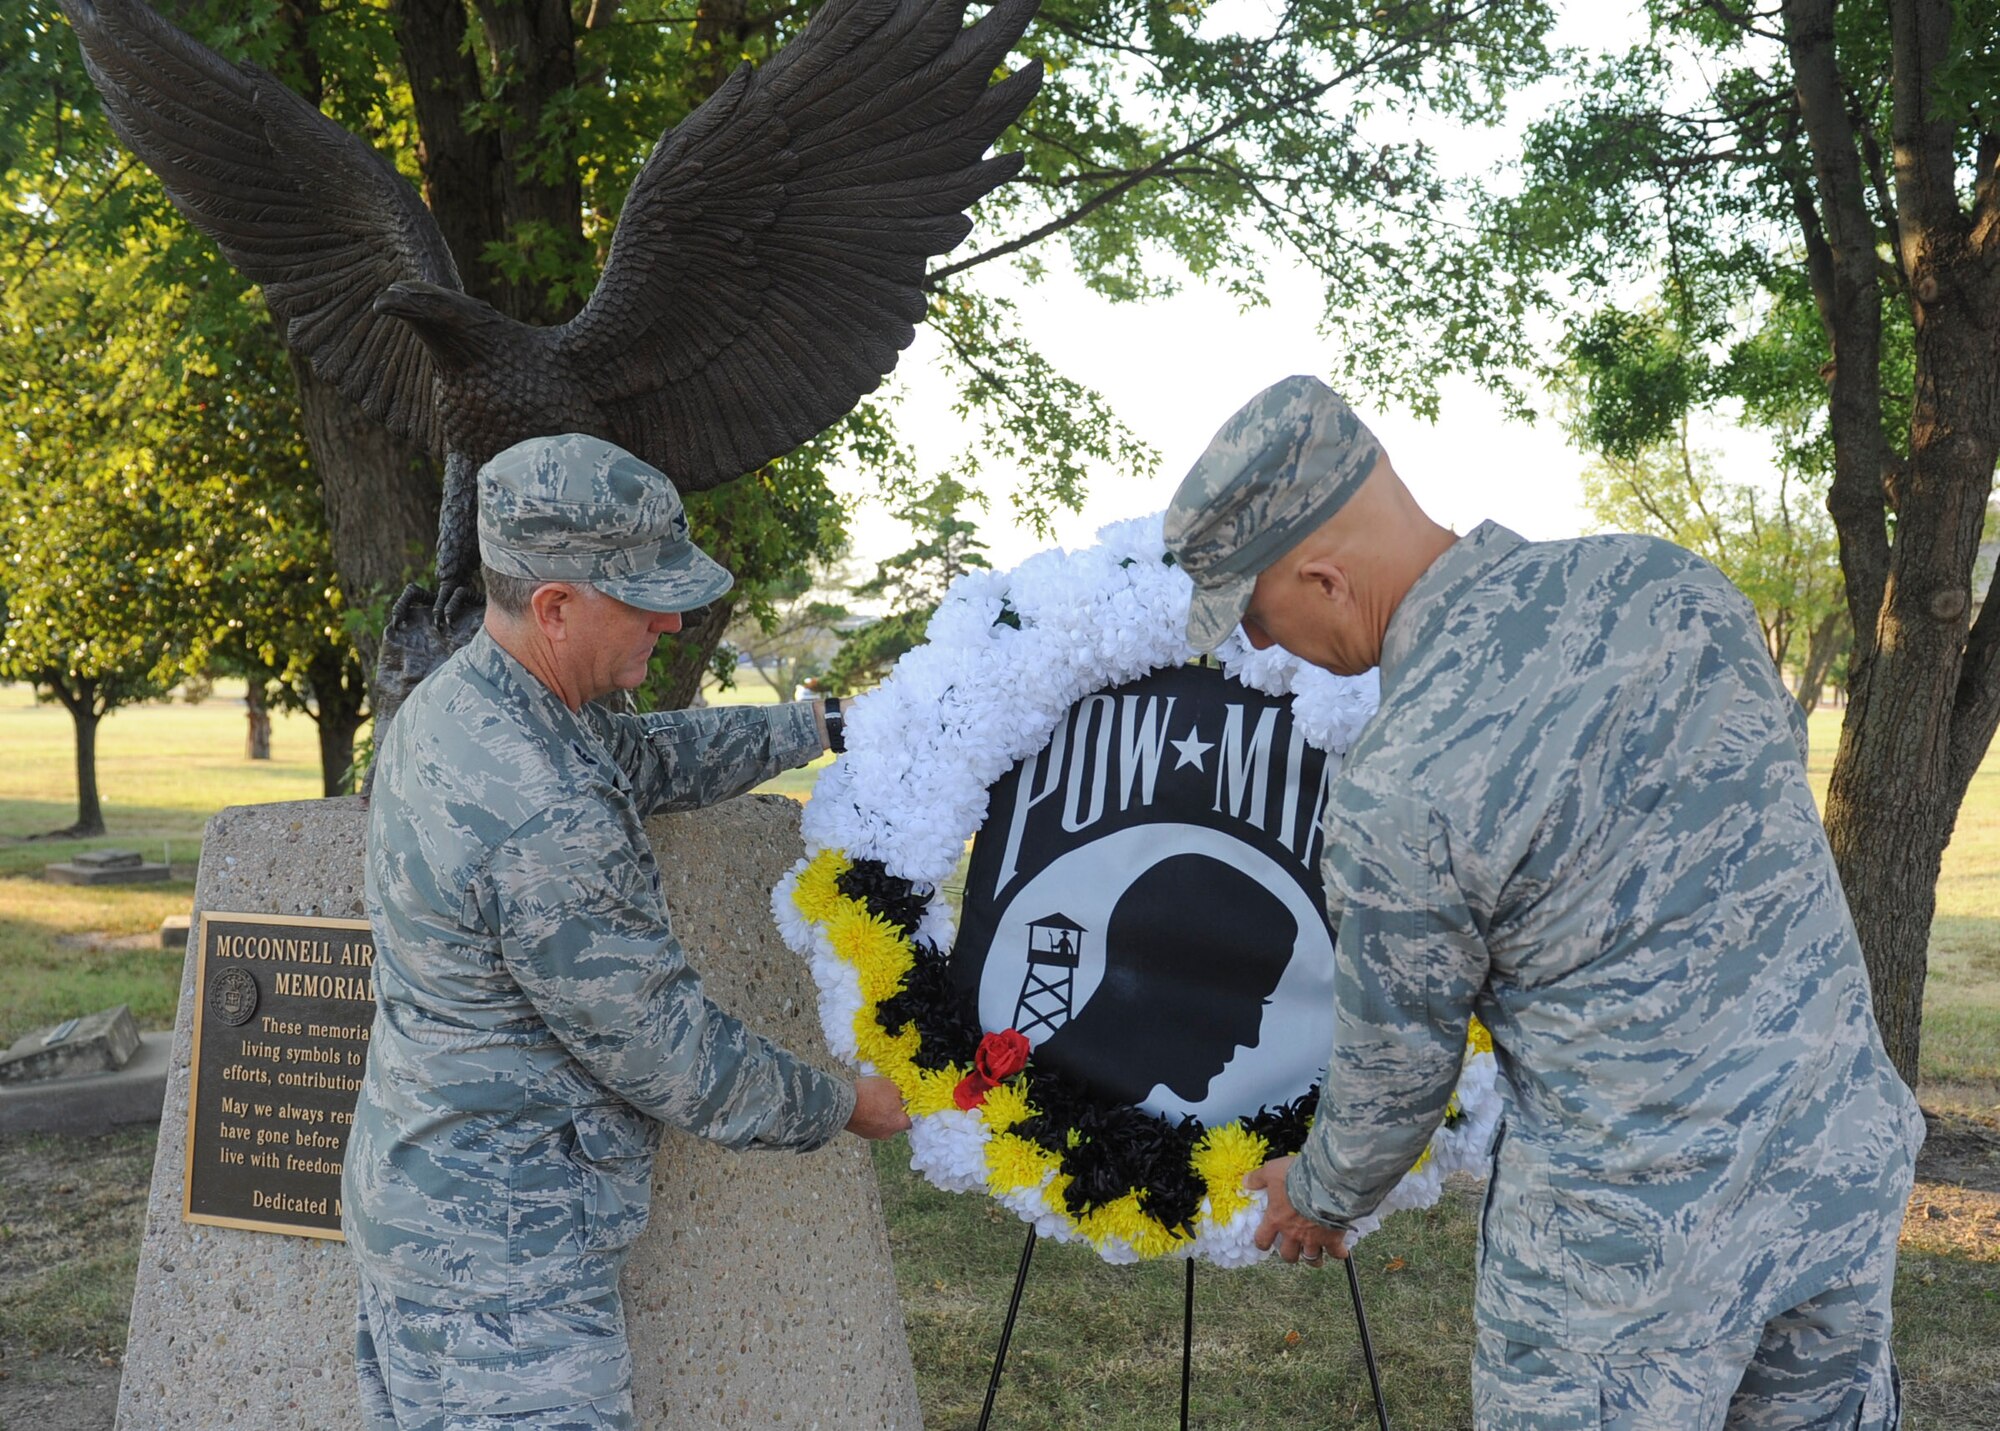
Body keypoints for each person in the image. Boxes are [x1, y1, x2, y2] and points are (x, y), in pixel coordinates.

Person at [1164, 376, 1924, 1430]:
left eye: (1253, 614)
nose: (1256, 643)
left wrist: (1322, 1193)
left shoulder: (1404, 780)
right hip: (1835, 1163)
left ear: (1324, 578)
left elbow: (1398, 1067)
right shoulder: (1668, 582)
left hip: (1626, 1253)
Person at [342, 432, 909, 1431]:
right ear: (556, 606)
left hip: (428, 1218)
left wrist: (819, 727)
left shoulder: (468, 702)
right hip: (505, 1291)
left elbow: (644, 754)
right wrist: (846, 1103)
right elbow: (667, 1050)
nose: (673, 618)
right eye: (644, 597)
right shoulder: (546, 809)